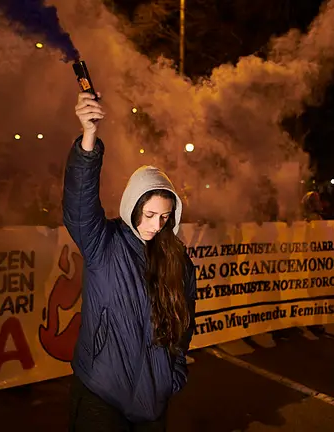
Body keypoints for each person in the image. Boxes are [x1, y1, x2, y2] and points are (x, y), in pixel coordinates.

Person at [64, 92, 197, 431]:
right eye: (149, 214)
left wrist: (173, 371)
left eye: (165, 218)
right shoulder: (103, 242)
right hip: (101, 392)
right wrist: (89, 138)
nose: (156, 225)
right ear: (132, 206)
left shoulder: (177, 259)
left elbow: (185, 319)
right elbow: (79, 204)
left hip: (153, 398)